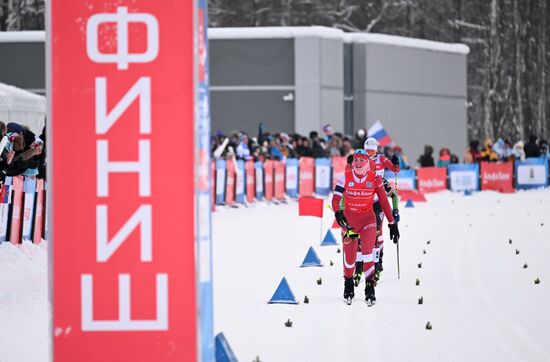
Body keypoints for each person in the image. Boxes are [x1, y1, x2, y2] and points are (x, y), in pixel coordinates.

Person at [332, 149, 399, 305]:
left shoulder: (376, 178)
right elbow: (335, 199)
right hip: (350, 222)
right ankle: (348, 284)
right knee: (350, 258)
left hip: (368, 220)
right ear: (352, 162)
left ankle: (370, 289)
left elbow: (384, 201)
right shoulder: (345, 177)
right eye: (356, 160)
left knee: (368, 253)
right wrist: (338, 213)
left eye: (362, 160)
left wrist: (392, 223)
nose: (358, 163)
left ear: (368, 162)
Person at [363, 137, 400, 282]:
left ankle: (378, 262)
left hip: (379, 191)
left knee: (378, 232)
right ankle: (361, 264)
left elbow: (395, 169)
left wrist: (396, 163)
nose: (370, 153)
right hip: (365, 192)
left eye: (372, 150)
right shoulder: (361, 158)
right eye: (368, 150)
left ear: (376, 150)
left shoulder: (381, 158)